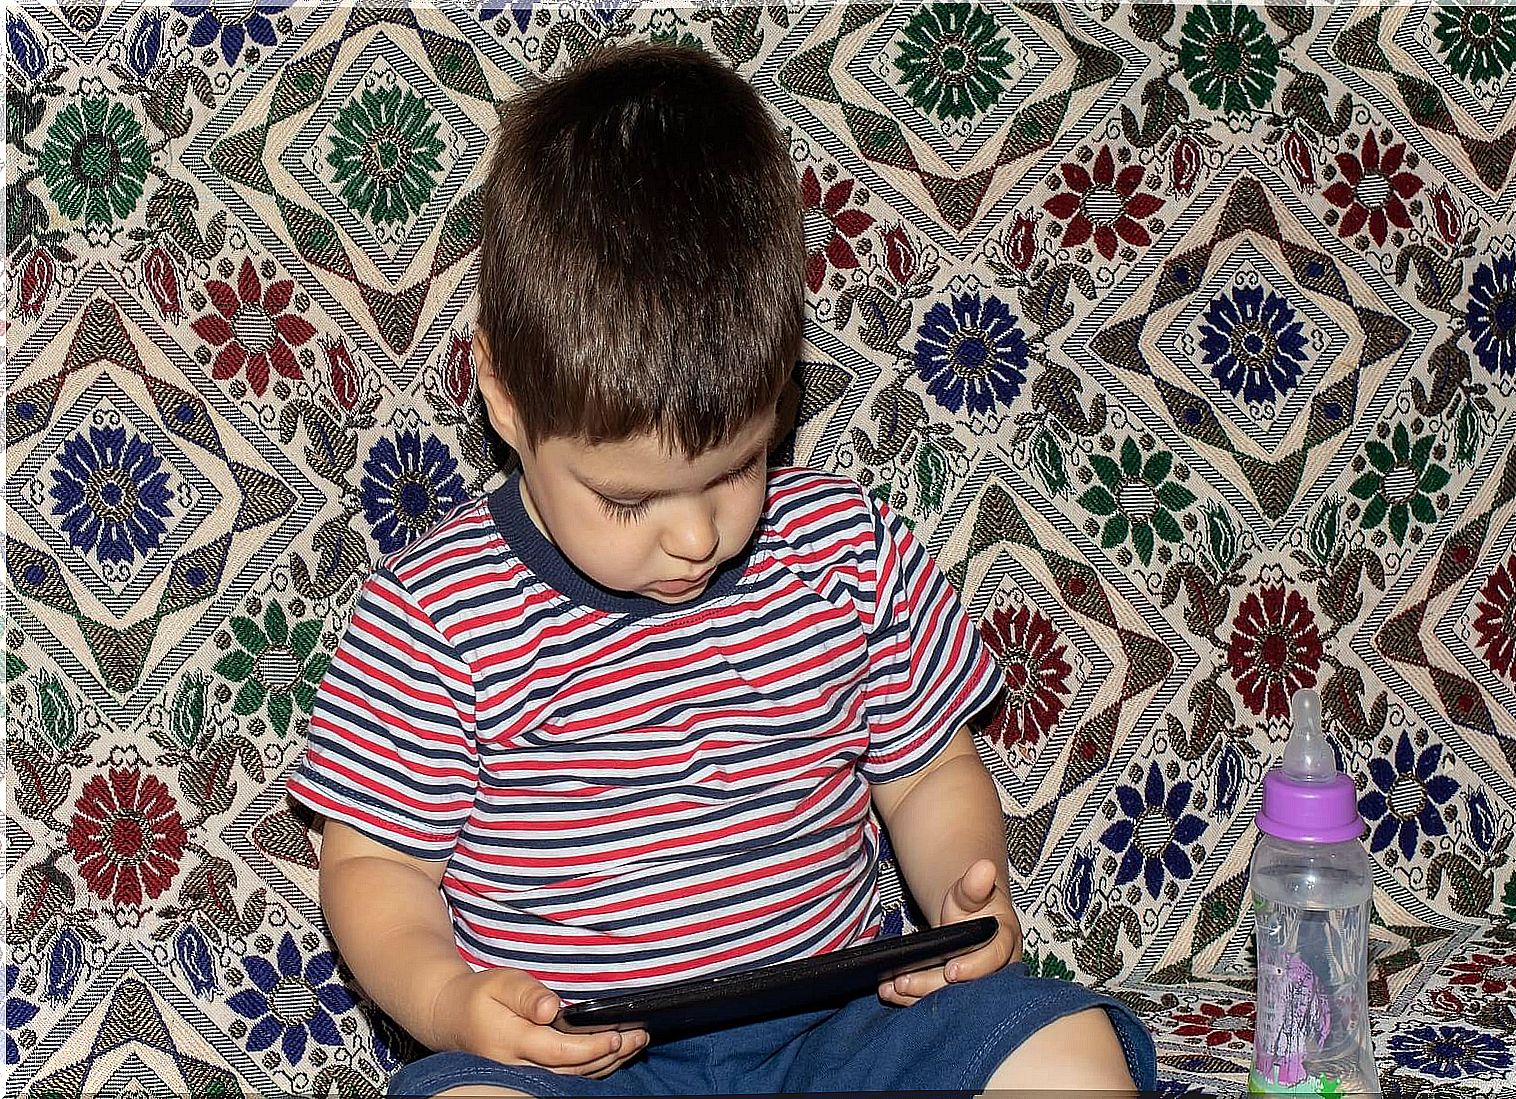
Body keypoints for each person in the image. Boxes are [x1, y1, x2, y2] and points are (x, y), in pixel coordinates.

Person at [287, 41, 1155, 1098]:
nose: (695, 536)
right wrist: (450, 1002)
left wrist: (961, 896)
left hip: (835, 1033)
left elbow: (927, 774)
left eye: (738, 466)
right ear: (504, 397)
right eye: (628, 499)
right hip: (579, 1067)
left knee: (1065, 1052)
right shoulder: (432, 615)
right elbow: (376, 870)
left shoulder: (848, 554)